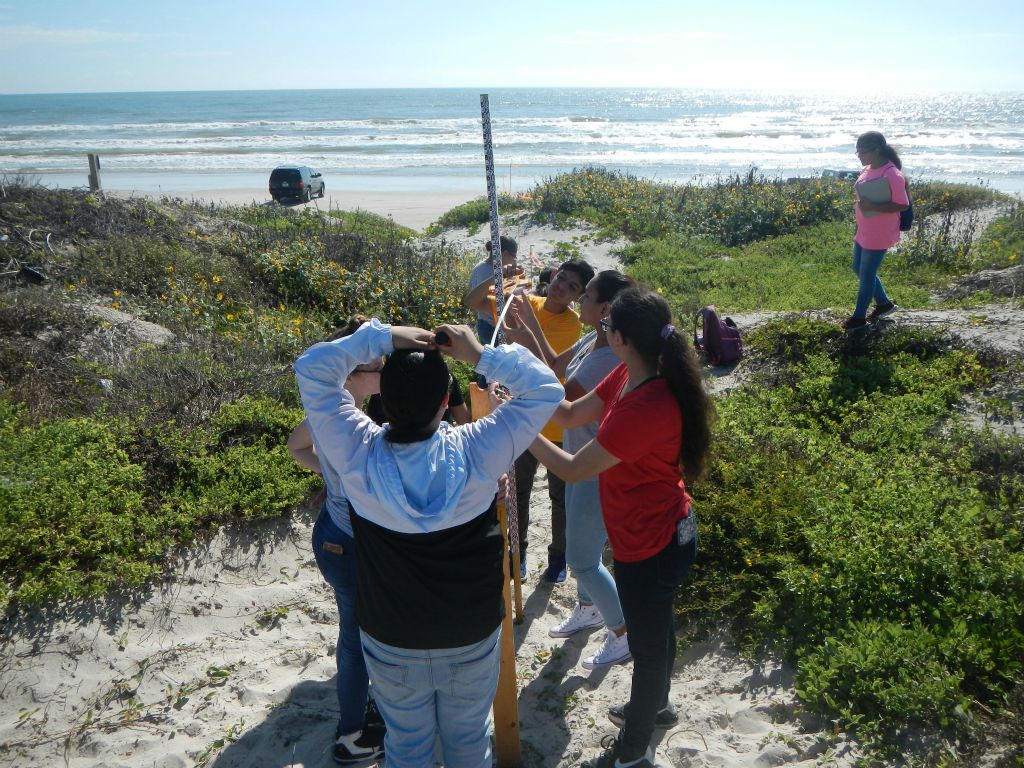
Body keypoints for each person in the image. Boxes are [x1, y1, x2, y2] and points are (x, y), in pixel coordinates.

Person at [294, 320, 562, 768]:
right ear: (444, 402)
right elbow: (545, 388)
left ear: (383, 399)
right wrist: (479, 354)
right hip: (471, 634)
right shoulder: (478, 450)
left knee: (406, 747)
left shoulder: (355, 453)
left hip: (391, 637)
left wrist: (384, 337)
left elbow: (313, 368)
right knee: (468, 745)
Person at [528, 287, 714, 768]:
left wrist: (520, 430)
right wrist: (526, 401)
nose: (601, 331)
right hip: (654, 533)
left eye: (607, 326)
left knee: (649, 649)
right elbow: (569, 413)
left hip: (654, 543)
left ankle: (632, 750)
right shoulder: (629, 375)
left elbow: (572, 468)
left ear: (624, 338)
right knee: (659, 631)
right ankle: (658, 708)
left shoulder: (646, 405)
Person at [504, 270, 636, 670]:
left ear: (606, 309)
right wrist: (528, 331)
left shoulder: (608, 358)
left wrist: (514, 393)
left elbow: (562, 407)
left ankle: (623, 633)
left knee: (582, 560)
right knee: (586, 549)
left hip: (593, 466)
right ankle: (588, 609)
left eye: (587, 295)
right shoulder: (593, 337)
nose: (578, 301)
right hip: (580, 460)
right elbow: (556, 367)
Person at [286, 316, 386, 765]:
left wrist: (331, 475)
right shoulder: (348, 413)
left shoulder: (332, 407)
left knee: (352, 634)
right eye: (377, 367)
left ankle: (353, 725)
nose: (385, 372)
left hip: (331, 532)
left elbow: (296, 447)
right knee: (364, 639)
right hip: (354, 542)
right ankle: (354, 733)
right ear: (352, 372)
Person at [465, 258, 594, 583]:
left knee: (559, 499)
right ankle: (517, 554)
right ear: (553, 275)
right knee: (517, 492)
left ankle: (558, 559)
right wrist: (499, 278)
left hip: (557, 424)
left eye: (571, 287)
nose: (561, 287)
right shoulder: (524, 300)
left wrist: (521, 332)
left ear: (577, 297)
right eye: (561, 278)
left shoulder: (573, 325)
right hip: (520, 419)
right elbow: (473, 302)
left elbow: (548, 365)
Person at [843, 130, 909, 332]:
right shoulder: (868, 169)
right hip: (865, 230)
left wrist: (872, 207)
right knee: (858, 268)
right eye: (858, 152)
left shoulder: (892, 174)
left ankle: (858, 318)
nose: (860, 157)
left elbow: (903, 205)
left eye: (863, 152)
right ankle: (884, 304)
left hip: (879, 232)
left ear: (877, 150)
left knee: (867, 273)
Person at [463, 235, 521, 345]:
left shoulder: (493, 268)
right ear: (504, 254)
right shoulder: (484, 270)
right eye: (514, 256)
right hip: (490, 326)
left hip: (494, 324)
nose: (514, 260)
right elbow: (478, 301)